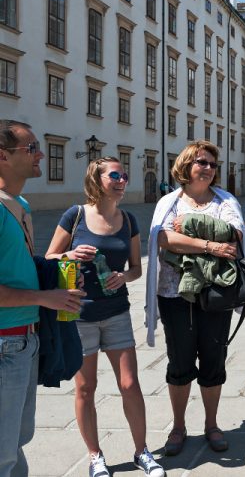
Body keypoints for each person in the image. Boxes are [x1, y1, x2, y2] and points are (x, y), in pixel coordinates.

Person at [45, 158, 163, 477]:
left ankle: (142, 451)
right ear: (96, 180)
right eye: (115, 175)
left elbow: (137, 268)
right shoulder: (76, 215)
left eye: (124, 174)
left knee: (130, 384)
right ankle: (95, 455)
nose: (122, 179)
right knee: (86, 388)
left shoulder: (128, 220)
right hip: (80, 313)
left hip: (117, 312)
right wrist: (68, 256)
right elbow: (49, 258)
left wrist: (124, 277)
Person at [145, 140, 245, 456]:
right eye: (201, 162)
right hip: (174, 294)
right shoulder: (169, 201)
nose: (207, 169)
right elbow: (163, 238)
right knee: (180, 361)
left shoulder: (226, 199)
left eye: (213, 165)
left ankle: (212, 424)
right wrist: (209, 245)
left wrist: (187, 231)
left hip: (216, 293)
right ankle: (178, 426)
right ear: (186, 165)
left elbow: (235, 234)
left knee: (213, 360)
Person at [0, 120, 84, 477]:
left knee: (16, 443)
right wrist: (45, 297)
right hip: (5, 343)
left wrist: (55, 265)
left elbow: (14, 267)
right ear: (2, 156)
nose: (39, 154)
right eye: (31, 148)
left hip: (24, 340)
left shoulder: (18, 203)